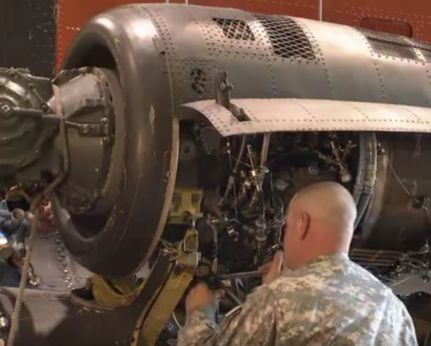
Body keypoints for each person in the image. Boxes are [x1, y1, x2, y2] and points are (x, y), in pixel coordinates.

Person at [177, 182, 418, 346]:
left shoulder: (278, 300)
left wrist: (200, 310)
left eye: (287, 226)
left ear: (303, 223)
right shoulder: (394, 309)